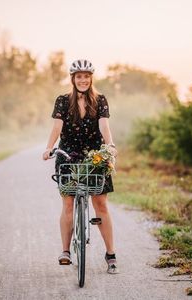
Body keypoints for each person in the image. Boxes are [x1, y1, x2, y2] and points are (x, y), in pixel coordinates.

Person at [42, 59, 119, 274]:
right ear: (73, 79)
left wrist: (110, 145)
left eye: (86, 76)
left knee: (101, 204)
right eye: (78, 76)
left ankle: (111, 254)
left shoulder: (100, 100)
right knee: (68, 203)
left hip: (94, 157)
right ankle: (65, 251)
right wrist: (49, 148)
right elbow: (57, 126)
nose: (82, 80)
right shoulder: (63, 101)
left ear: (91, 78)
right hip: (68, 155)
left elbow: (104, 125)